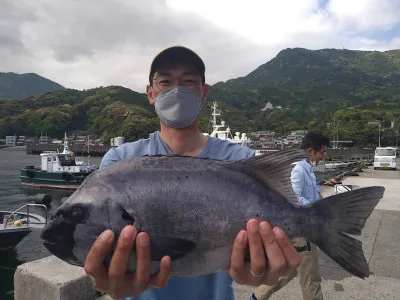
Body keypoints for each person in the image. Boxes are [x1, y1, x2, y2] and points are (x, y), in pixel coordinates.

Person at [83, 45, 301, 300]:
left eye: (188, 81)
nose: (177, 90)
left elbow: (260, 250)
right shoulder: (119, 162)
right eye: (165, 81)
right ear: (150, 93)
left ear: (203, 92)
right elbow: (102, 251)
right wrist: (105, 281)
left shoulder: (239, 160)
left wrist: (260, 269)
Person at [251, 132, 330, 300]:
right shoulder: (298, 169)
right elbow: (292, 197)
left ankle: (257, 297)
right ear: (310, 151)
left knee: (288, 269)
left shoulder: (307, 168)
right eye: (322, 152)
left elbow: (312, 194)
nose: (323, 156)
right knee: (310, 277)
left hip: (302, 228)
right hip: (303, 231)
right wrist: (314, 208)